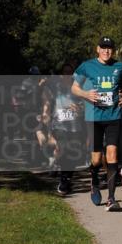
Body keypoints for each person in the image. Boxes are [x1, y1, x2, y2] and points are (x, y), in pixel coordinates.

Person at [72, 37, 122, 211]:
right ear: (97, 49)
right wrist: (86, 94)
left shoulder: (120, 67)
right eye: (103, 48)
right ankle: (94, 181)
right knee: (96, 159)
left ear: (114, 50)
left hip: (113, 116)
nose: (106, 51)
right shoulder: (86, 66)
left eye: (109, 48)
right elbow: (74, 88)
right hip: (93, 117)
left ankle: (111, 198)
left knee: (112, 154)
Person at [51, 62, 84, 196]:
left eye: (70, 72)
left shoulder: (76, 88)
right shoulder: (55, 88)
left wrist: (79, 108)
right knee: (64, 148)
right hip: (59, 125)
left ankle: (68, 178)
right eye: (65, 72)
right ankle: (63, 180)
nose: (67, 75)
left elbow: (84, 106)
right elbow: (47, 103)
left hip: (75, 126)